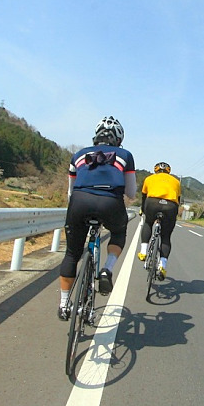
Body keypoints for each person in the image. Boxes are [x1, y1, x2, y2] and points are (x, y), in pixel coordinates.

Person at [58, 116, 136, 320]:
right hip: (110, 203)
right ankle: (106, 270)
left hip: (79, 202)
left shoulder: (78, 155)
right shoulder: (125, 155)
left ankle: (64, 304)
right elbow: (131, 193)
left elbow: (70, 191)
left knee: (72, 254)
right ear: (119, 138)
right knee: (119, 232)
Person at [138, 161, 181, 280]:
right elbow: (178, 200)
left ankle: (143, 252)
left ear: (156, 170)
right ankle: (162, 265)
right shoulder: (176, 182)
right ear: (168, 171)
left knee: (148, 222)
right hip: (170, 206)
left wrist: (142, 210)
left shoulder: (149, 178)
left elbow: (144, 196)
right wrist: (174, 216)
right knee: (166, 236)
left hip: (152, 203)